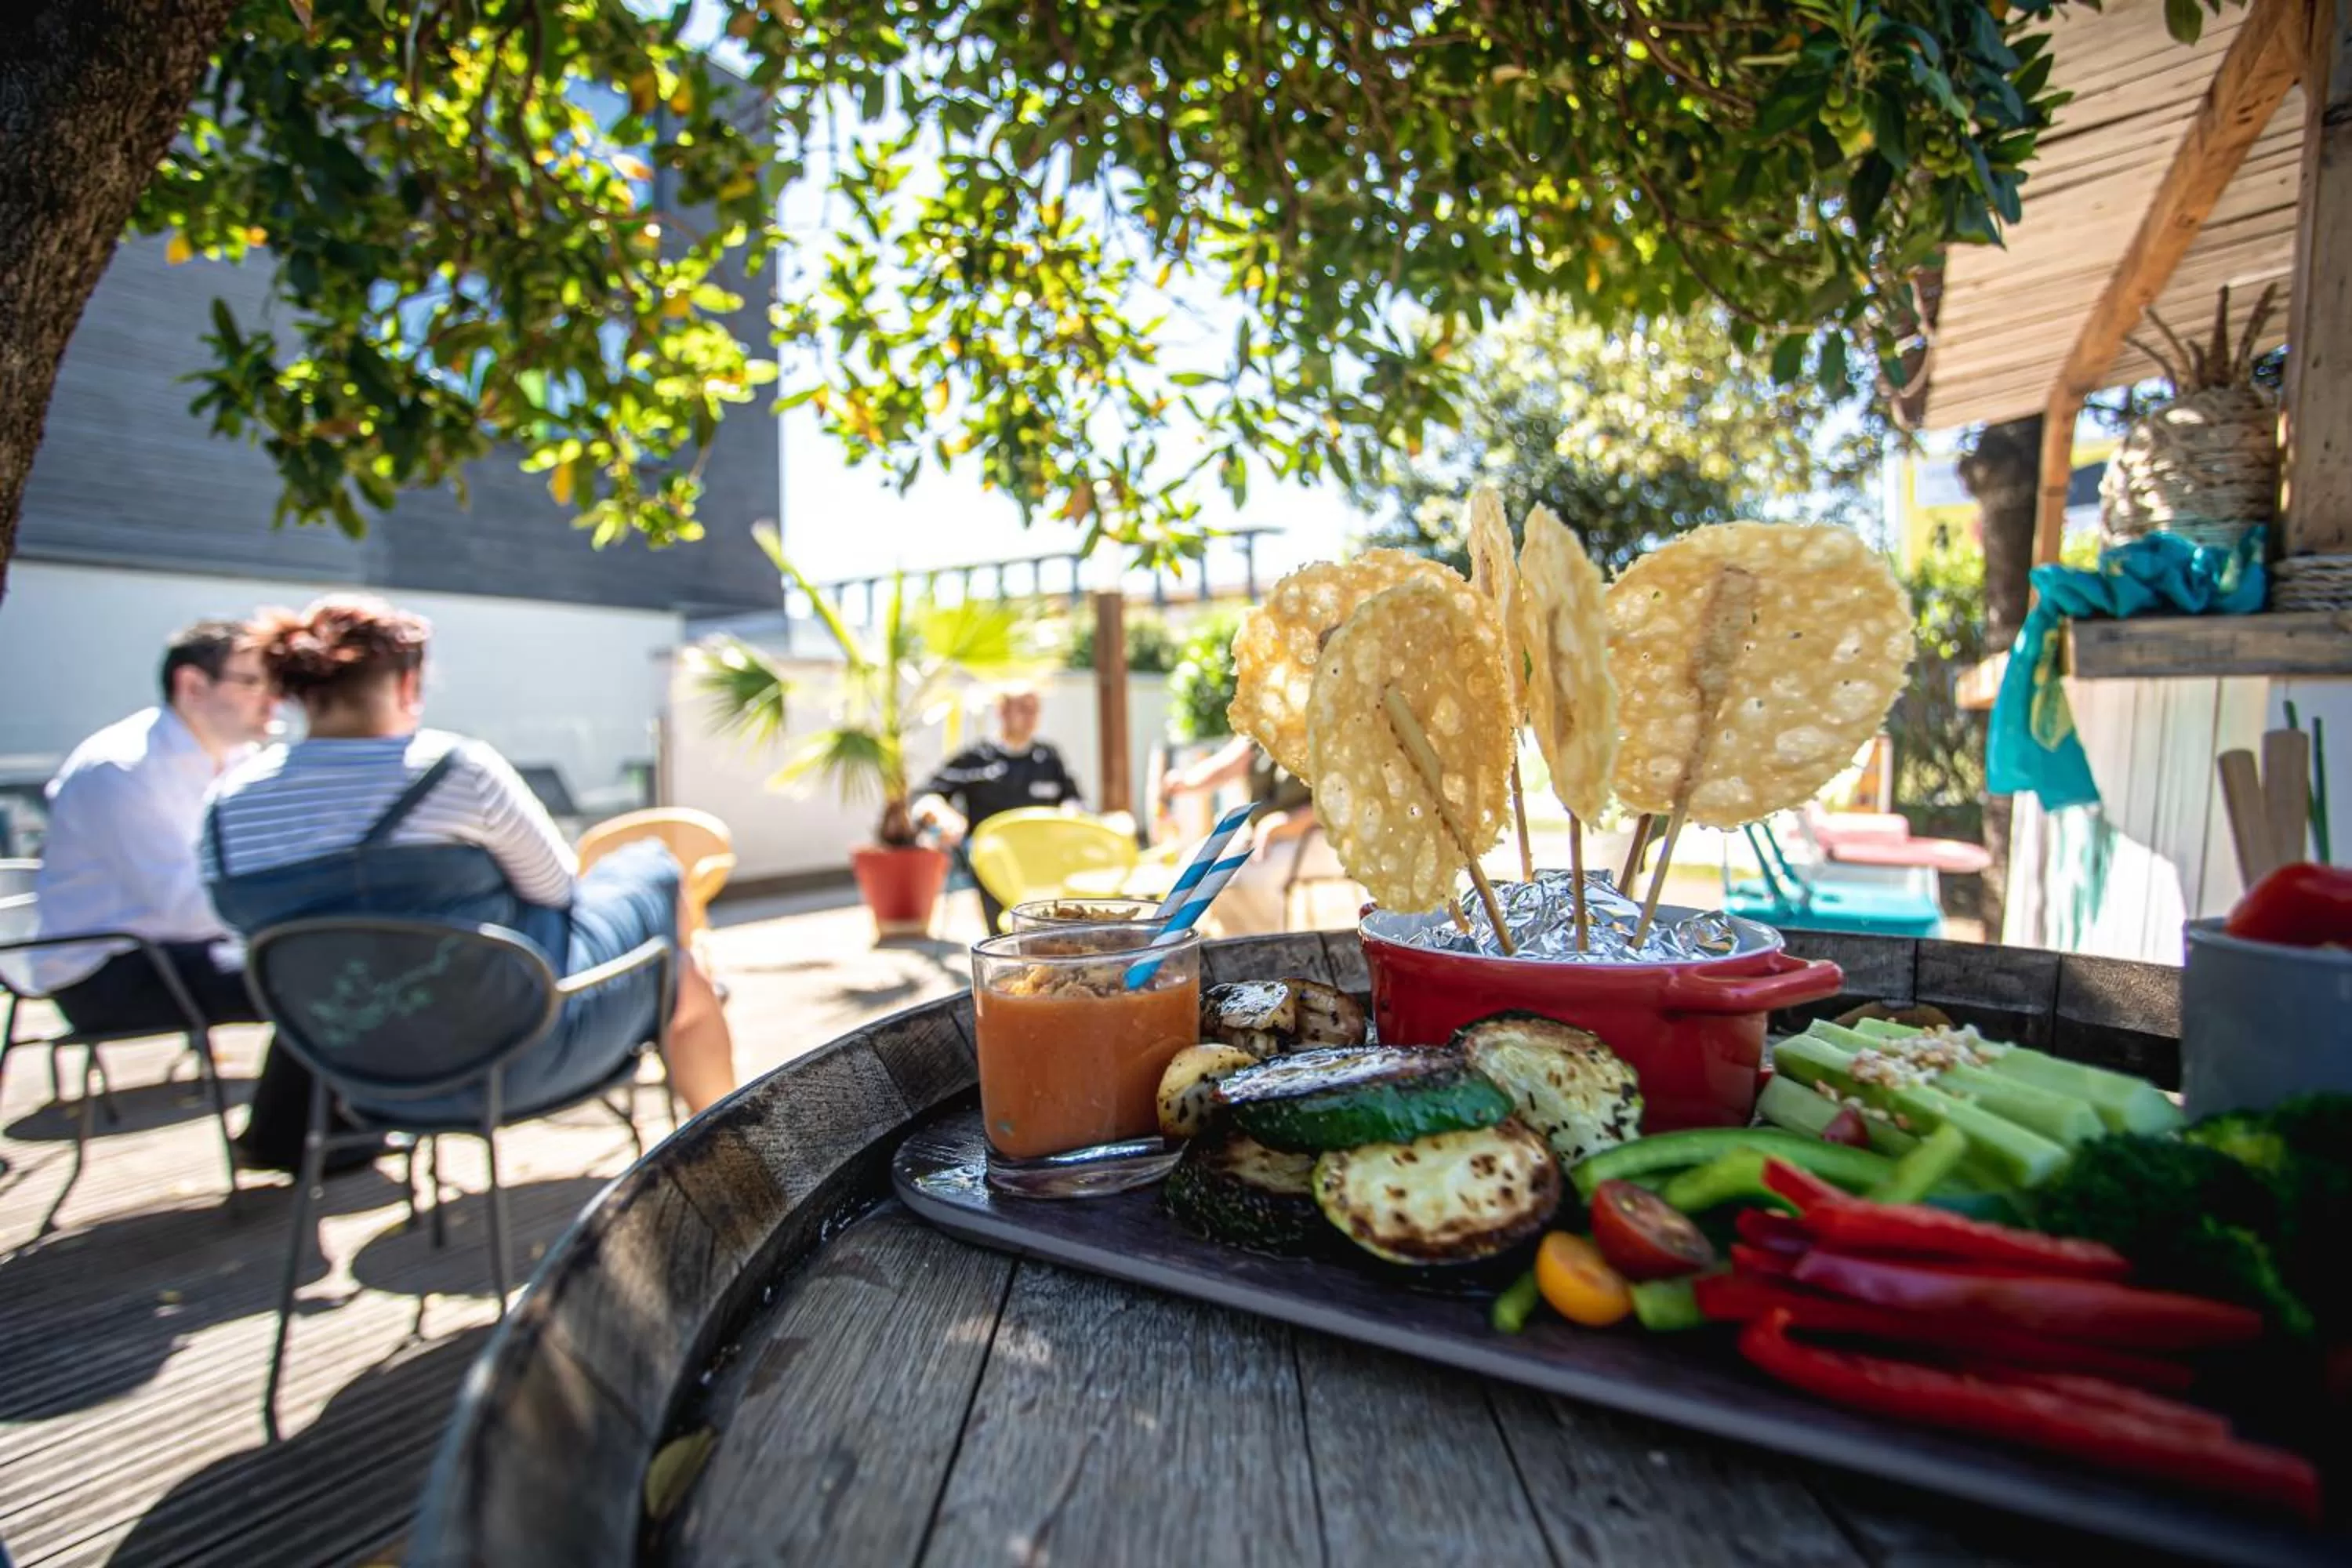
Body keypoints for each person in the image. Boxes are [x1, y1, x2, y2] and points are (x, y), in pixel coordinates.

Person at [199, 596, 736, 1123]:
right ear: (408, 682)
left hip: (358, 1075)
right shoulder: (452, 770)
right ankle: (729, 1148)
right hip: (518, 1055)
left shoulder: (226, 808)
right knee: (658, 882)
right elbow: (556, 889)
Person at [28, 619, 350, 1171]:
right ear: (192, 685)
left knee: (333, 958)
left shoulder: (236, 761)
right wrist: (297, 910)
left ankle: (319, 1128)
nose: (273, 700)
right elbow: (183, 906)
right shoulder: (122, 769)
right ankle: (288, 1138)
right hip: (109, 971)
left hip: (182, 948)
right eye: (252, 682)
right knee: (320, 974)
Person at [910, 686, 1084, 932]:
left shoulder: (1049, 758)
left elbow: (1073, 799)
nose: (1030, 716)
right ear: (1002, 711)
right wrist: (941, 815)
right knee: (1007, 932)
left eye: (1035, 709)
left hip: (1047, 861)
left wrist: (1071, 813)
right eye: (1023, 708)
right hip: (993, 864)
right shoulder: (976, 758)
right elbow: (926, 795)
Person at [1160, 733, 1345, 935]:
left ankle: (1264, 952)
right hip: (1263, 833)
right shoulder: (1266, 715)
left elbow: (1344, 800)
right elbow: (1230, 762)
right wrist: (1186, 783)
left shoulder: (1332, 719)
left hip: (1318, 835)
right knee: (1192, 869)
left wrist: (1286, 823)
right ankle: (1219, 946)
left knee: (1244, 881)